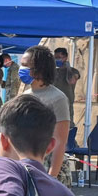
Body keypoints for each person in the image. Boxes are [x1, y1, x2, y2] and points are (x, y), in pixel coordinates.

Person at [18, 46, 72, 186]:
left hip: (50, 168)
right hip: (29, 165)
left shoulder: (57, 98)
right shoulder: (24, 96)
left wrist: (51, 177)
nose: (21, 69)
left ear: (39, 69)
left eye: (25, 65)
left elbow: (60, 141)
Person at [52, 47, 80, 120]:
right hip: (53, 104)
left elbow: (72, 81)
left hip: (66, 104)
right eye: (55, 58)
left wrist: (67, 67)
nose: (57, 60)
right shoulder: (53, 71)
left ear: (65, 57)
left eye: (59, 57)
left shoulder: (74, 71)